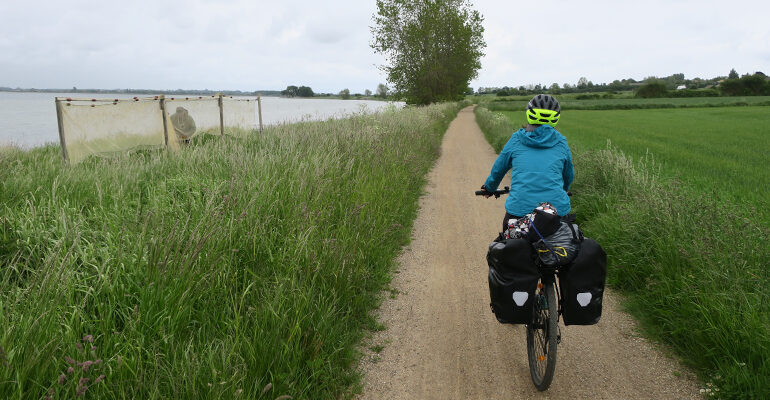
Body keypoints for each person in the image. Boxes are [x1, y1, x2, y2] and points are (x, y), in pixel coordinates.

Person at [481, 94, 574, 232]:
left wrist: (490, 187)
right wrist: (564, 190)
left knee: (508, 246)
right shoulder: (561, 143)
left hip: (520, 210)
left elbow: (499, 169)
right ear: (555, 117)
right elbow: (568, 174)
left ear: (529, 113)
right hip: (556, 212)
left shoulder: (517, 140)